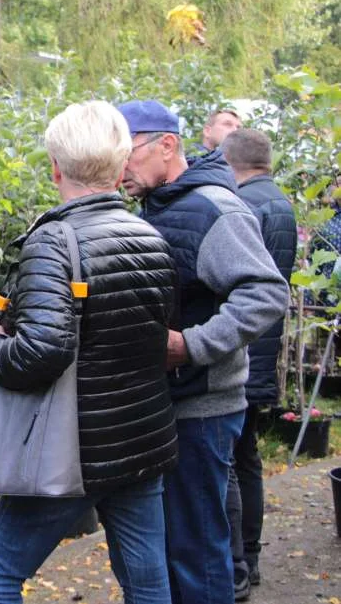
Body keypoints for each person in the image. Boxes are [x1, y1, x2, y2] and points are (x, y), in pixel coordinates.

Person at [0, 100, 179, 604]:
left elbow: (42, 351)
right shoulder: (151, 237)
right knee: (148, 585)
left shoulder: (53, 243)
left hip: (74, 452)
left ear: (55, 167)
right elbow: (156, 336)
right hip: (141, 442)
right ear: (122, 164)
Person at [117, 100, 289, 604]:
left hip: (202, 409)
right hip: (171, 405)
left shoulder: (213, 208)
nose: (118, 169)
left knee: (198, 554)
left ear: (166, 145)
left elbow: (266, 293)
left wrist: (191, 345)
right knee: (174, 550)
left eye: (125, 155)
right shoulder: (162, 204)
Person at [221, 128, 298, 600]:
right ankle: (249, 555)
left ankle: (236, 568)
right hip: (265, 354)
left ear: (232, 165)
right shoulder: (282, 204)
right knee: (246, 457)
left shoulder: (246, 206)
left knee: (228, 462)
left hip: (244, 354)